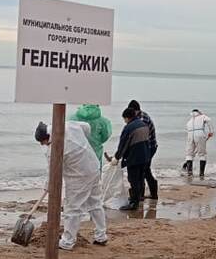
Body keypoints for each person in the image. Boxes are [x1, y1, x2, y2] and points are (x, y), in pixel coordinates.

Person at [35, 120, 109, 250]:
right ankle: (101, 236)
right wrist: (81, 143)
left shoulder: (54, 148)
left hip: (78, 177)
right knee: (95, 203)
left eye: (42, 142)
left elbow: (52, 171)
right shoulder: (68, 125)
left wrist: (47, 186)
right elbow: (86, 127)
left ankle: (67, 242)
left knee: (72, 208)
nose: (43, 145)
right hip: (93, 167)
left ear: (47, 137)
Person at [113, 107, 153, 211]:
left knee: (133, 180)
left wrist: (117, 157)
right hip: (145, 156)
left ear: (127, 117)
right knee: (140, 179)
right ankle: (137, 199)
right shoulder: (144, 125)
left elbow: (123, 144)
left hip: (134, 158)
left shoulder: (129, 128)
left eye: (124, 119)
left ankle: (134, 203)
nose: (124, 121)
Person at [126, 100, 159, 199]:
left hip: (148, 147)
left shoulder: (142, 119)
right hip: (146, 146)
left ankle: (142, 195)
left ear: (136, 111)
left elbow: (139, 138)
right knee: (144, 170)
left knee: (143, 170)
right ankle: (145, 194)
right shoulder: (138, 117)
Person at [183, 108, 214, 179]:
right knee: (202, 154)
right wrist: (211, 132)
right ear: (198, 112)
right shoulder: (202, 116)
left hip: (190, 135)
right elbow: (209, 120)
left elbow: (187, 129)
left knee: (189, 154)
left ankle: (189, 172)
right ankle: (201, 174)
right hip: (200, 134)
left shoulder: (189, 121)